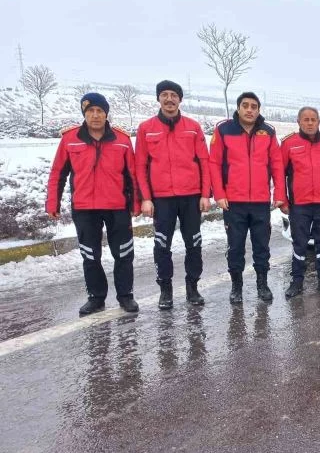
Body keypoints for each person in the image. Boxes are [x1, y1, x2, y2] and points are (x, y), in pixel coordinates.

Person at [46, 93, 140, 315]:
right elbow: (58, 172)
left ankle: (126, 296)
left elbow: (133, 175)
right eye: (90, 111)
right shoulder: (70, 139)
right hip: (85, 208)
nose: (95, 115)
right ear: (84, 114)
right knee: (90, 255)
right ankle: (96, 298)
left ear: (106, 114)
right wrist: (53, 202)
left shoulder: (122, 139)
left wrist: (136, 204)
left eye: (100, 111)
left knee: (124, 254)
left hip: (117, 207)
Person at [135, 80, 211, 310]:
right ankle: (165, 290)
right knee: (162, 245)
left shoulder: (193, 127)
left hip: (191, 197)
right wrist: (146, 198)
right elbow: (140, 166)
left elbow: (204, 162)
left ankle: (192, 287)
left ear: (180, 99)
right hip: (161, 199)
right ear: (159, 98)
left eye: (174, 95)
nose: (169, 99)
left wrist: (205, 193)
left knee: (194, 244)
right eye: (165, 95)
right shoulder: (146, 128)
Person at [209, 92, 286, 304]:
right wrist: (219, 194)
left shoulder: (268, 132)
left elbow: (277, 164)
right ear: (239, 108)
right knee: (235, 247)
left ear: (258, 110)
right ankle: (237, 287)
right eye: (245, 105)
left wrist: (279, 193)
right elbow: (214, 163)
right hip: (234, 203)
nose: (250, 110)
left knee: (262, 246)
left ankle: (262, 284)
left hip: (261, 202)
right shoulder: (224, 129)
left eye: (254, 106)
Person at [280, 106, 320, 298]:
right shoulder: (289, 144)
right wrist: (282, 199)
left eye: (313, 119)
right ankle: (296, 282)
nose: (309, 123)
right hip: (300, 204)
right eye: (305, 119)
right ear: (298, 122)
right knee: (300, 244)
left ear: (318, 121)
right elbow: (279, 173)